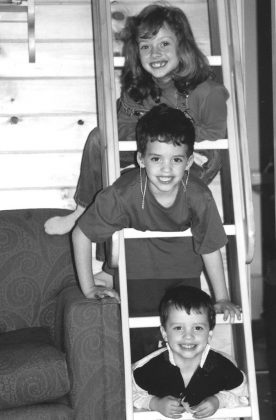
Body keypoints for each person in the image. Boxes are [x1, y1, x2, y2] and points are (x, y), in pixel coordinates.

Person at [44, 3, 229, 241]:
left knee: (137, 191)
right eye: (145, 46)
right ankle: (83, 211)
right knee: (101, 140)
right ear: (136, 51)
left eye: (164, 43)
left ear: (182, 46)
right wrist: (148, 134)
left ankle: (114, 270)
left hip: (187, 160)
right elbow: (119, 125)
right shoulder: (138, 90)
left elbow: (215, 134)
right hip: (147, 152)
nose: (155, 53)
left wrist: (168, 134)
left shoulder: (206, 90)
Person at [72, 104, 241, 361]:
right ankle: (147, 398)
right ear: (141, 159)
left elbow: (209, 247)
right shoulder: (124, 192)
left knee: (188, 340)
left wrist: (223, 297)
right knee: (144, 347)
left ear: (189, 162)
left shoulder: (198, 194)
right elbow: (81, 233)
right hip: (139, 275)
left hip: (184, 274)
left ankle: (186, 392)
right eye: (156, 158)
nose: (166, 169)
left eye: (176, 159)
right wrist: (88, 289)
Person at [132, 285, 248, 419]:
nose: (188, 336)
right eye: (178, 328)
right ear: (164, 333)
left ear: (209, 333)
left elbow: (242, 394)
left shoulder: (222, 366)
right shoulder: (149, 368)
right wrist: (155, 403)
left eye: (198, 328)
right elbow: (129, 395)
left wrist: (218, 401)